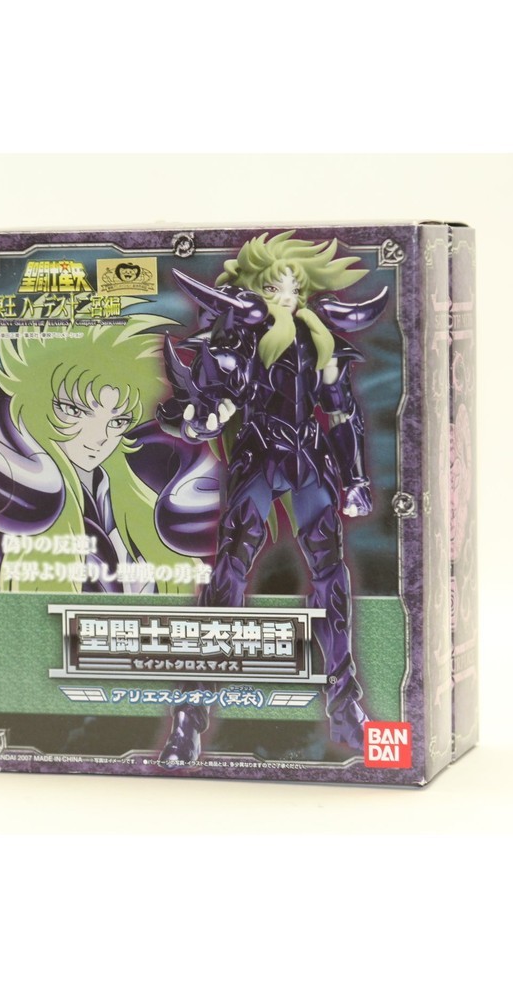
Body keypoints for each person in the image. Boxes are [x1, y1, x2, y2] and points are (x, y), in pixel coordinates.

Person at [158, 231, 388, 763]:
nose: (286, 297)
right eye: (273, 287)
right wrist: (200, 419)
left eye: (294, 288)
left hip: (311, 460)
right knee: (228, 576)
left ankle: (345, 707)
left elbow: (343, 412)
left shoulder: (320, 342)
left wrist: (355, 478)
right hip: (259, 455)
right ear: (254, 289)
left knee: (331, 576)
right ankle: (190, 717)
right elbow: (204, 401)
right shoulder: (236, 340)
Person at [0, 316, 217, 595]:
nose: (99, 437)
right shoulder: (20, 497)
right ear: (36, 403)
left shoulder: (133, 497)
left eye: (117, 422)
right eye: (74, 411)